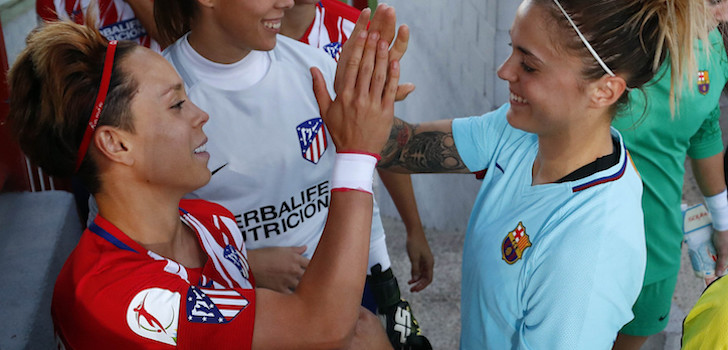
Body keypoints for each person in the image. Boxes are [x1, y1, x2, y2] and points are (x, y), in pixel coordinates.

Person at [6, 13, 400, 348]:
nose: (200, 114)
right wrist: (355, 154)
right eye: (177, 104)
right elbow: (319, 326)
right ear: (116, 144)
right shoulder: (112, 298)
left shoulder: (211, 223)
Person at [375, 0, 711, 347]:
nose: (504, 71)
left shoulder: (589, 251)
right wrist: (366, 97)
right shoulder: (520, 130)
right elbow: (403, 147)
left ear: (604, 90)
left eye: (529, 65)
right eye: (511, 49)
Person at [153, 1, 431, 348]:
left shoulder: (313, 67)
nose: (285, 1)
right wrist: (243, 266)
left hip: (346, 288)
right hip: (248, 318)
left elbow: (352, 181)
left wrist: (382, 276)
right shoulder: (160, 101)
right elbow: (142, 238)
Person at [280, 0, 432, 296]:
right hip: (262, 252)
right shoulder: (233, 37)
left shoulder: (355, 29)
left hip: (347, 238)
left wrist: (414, 228)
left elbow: (379, 136)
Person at [610, 2, 728, 348]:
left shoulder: (714, 50)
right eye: (712, 2)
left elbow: (705, 131)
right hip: (578, 239)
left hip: (655, 250)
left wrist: (722, 223)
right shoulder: (610, 33)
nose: (722, 14)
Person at [36, 0, 161, 52]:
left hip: (163, 79)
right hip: (106, 98)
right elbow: (57, 65)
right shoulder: (50, 3)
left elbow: (172, 38)